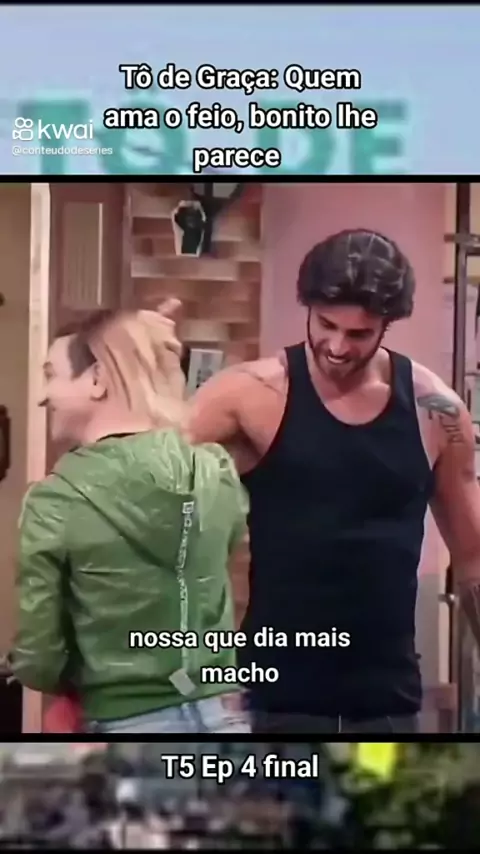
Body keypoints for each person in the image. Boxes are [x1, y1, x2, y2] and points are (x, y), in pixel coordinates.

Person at [179, 228, 480, 734]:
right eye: (326, 325)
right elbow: (141, 478)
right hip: (275, 696)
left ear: (386, 324)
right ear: (309, 308)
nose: (337, 347)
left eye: (359, 334)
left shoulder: (437, 411)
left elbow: (472, 559)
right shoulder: (248, 394)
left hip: (387, 698)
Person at [11, 305, 249, 734]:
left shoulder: (55, 500)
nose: (43, 395)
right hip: (223, 719)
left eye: (51, 375)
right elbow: (212, 573)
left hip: (125, 725)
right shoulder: (215, 470)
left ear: (98, 379)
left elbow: (40, 658)